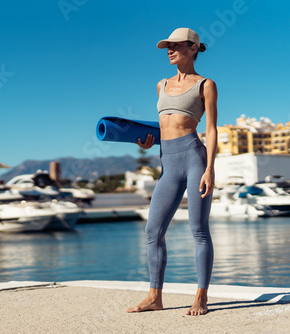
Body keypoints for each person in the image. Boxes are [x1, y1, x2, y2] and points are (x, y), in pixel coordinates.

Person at [126, 28, 218, 316]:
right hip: (167, 160)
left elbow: (211, 129)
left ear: (193, 48)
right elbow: (164, 125)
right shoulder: (161, 85)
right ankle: (155, 296)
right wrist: (146, 143)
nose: (169, 50)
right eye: (168, 46)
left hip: (194, 158)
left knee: (198, 230)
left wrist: (210, 169)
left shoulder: (205, 85)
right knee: (153, 230)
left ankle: (201, 296)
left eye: (176, 45)